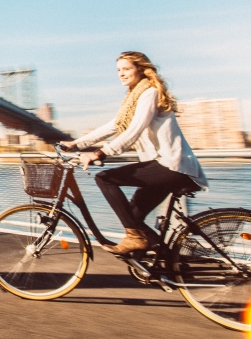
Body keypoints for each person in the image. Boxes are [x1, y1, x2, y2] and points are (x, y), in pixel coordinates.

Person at [62, 51, 208, 255]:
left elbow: (134, 129)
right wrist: (77, 144)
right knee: (132, 217)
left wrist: (101, 153)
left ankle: (135, 238)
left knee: (105, 178)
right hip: (161, 165)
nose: (121, 74)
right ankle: (168, 261)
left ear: (140, 69)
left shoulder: (149, 93)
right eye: (118, 70)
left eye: (126, 69)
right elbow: (114, 125)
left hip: (172, 165)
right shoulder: (134, 97)